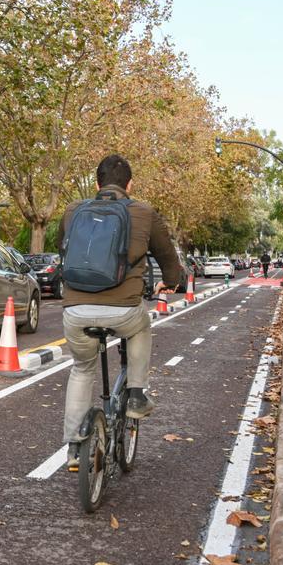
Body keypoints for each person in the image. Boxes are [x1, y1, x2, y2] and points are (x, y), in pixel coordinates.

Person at [57, 155, 185, 470]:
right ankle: (138, 393)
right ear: (130, 185)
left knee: (81, 369)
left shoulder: (74, 211)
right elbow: (169, 260)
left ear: (97, 184)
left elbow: (63, 248)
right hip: (123, 310)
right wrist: (171, 284)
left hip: (75, 311)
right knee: (141, 326)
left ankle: (74, 447)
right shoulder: (143, 212)